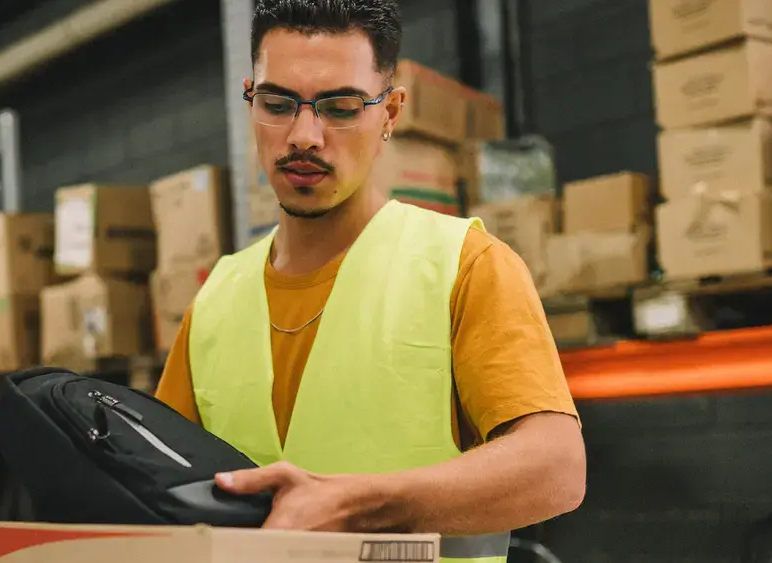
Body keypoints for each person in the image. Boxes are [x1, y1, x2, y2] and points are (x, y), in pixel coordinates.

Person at [155, 0, 585, 559]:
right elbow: (159, 485)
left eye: (340, 107)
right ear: (250, 100)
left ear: (390, 113)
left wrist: (360, 507)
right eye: (278, 103)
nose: (304, 135)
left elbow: (556, 467)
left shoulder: (465, 265)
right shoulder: (216, 297)